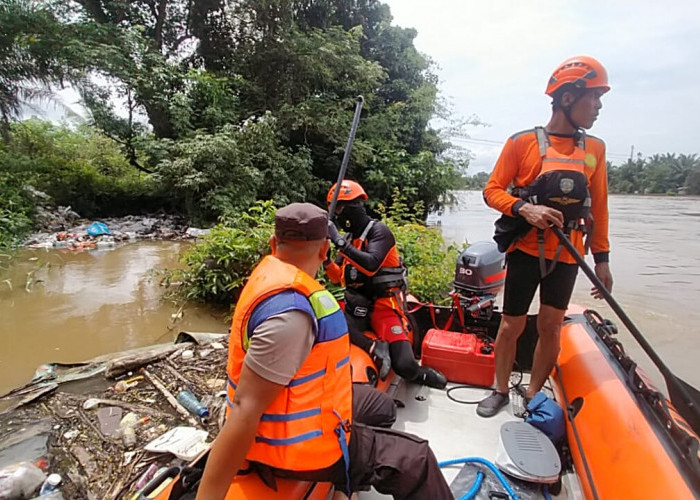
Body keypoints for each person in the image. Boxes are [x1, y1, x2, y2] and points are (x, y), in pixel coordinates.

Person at [196, 202, 452, 500]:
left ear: (272, 244)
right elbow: (244, 409)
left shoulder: (269, 275)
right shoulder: (291, 313)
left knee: (380, 407)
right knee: (416, 458)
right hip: (292, 446)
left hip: (303, 405)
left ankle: (346, 488)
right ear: (323, 249)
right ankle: (343, 471)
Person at [478, 56, 614, 418]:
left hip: (569, 254)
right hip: (525, 249)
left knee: (551, 325)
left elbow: (599, 208)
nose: (599, 107)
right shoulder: (521, 143)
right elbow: (491, 191)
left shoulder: (596, 150)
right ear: (568, 98)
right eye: (594, 98)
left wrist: (602, 261)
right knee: (512, 324)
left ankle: (535, 392)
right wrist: (525, 210)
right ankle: (500, 388)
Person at [324, 181, 447, 389]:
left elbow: (371, 264)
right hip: (355, 307)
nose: (337, 215)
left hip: (383, 307)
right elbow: (337, 277)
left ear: (352, 207)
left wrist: (337, 241)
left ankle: (419, 373)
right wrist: (327, 261)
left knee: (404, 365)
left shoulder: (379, 232)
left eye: (339, 209)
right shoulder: (349, 239)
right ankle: (372, 346)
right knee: (327, 320)